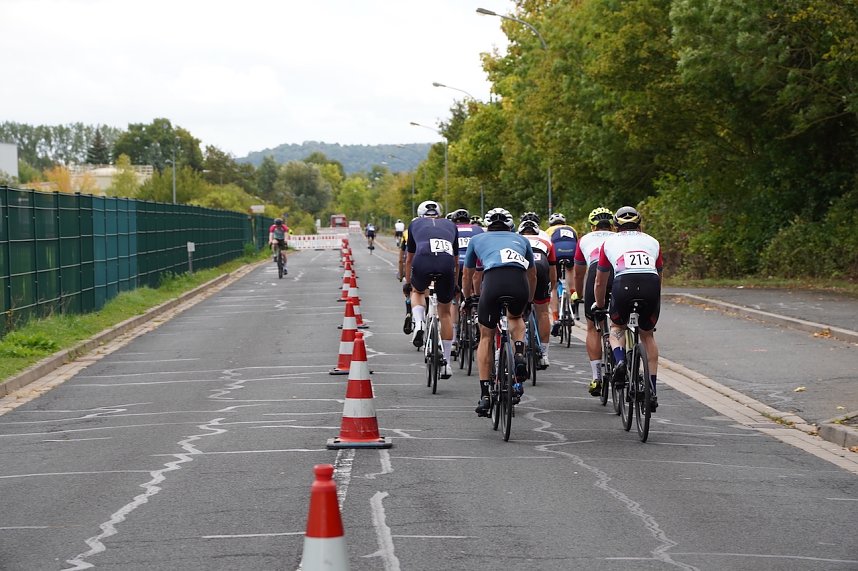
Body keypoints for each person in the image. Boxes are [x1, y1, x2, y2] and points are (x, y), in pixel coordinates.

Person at [462, 208, 536, 417]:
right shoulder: (522, 240)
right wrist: (528, 299)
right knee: (515, 318)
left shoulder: (477, 239)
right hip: (518, 282)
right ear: (510, 225)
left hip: (493, 281)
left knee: (486, 336)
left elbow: (469, 276)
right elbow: (532, 275)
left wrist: (468, 299)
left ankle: (485, 394)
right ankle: (519, 354)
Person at [592, 206, 662, 411]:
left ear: (615, 227)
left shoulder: (609, 242)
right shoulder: (653, 241)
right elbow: (659, 275)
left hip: (623, 285)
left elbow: (600, 282)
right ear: (640, 226)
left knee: (616, 325)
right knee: (647, 335)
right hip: (651, 285)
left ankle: (621, 360)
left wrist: (600, 304)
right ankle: (652, 390)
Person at [404, 200, 459, 379]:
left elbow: (409, 258)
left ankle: (419, 322)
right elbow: (456, 261)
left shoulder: (414, 224)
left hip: (423, 260)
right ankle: (447, 365)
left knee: (418, 291)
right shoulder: (451, 225)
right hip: (446, 264)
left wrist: (408, 281)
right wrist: (455, 282)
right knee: (446, 314)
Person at [572, 207, 616, 396]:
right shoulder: (619, 238)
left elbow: (579, 273)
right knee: (618, 323)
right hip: (618, 273)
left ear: (592, 226)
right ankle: (623, 355)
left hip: (595, 274)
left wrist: (579, 295)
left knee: (592, 327)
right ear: (612, 226)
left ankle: (597, 377)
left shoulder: (584, 240)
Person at [518, 218, 556, 369]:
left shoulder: (517, 238)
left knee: (518, 312)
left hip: (523, 267)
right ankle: (544, 355)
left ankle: (519, 349)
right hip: (541, 266)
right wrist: (549, 290)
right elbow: (552, 273)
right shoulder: (546, 241)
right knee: (543, 313)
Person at [450, 208, 483, 357]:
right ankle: (478, 319)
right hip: (475, 265)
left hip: (456, 264)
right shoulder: (478, 229)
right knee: (477, 297)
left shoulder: (450, 228)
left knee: (454, 300)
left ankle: (453, 338)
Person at [546, 212, 579, 335]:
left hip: (556, 252)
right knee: (570, 269)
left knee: (553, 287)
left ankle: (555, 318)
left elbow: (547, 246)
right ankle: (573, 293)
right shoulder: (571, 229)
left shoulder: (549, 230)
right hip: (571, 251)